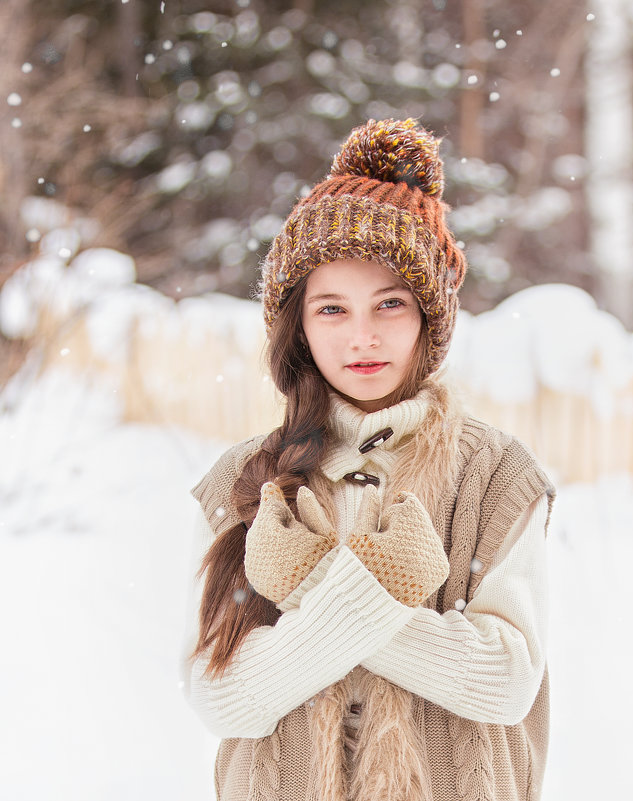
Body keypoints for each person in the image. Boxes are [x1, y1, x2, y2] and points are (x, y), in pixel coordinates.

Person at [183, 118, 554, 801]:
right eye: (331, 309)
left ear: (428, 318)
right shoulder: (243, 481)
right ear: (297, 324)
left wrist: (313, 588)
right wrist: (378, 600)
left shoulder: (498, 475)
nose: (363, 335)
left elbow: (505, 681)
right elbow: (223, 696)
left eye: (391, 303)